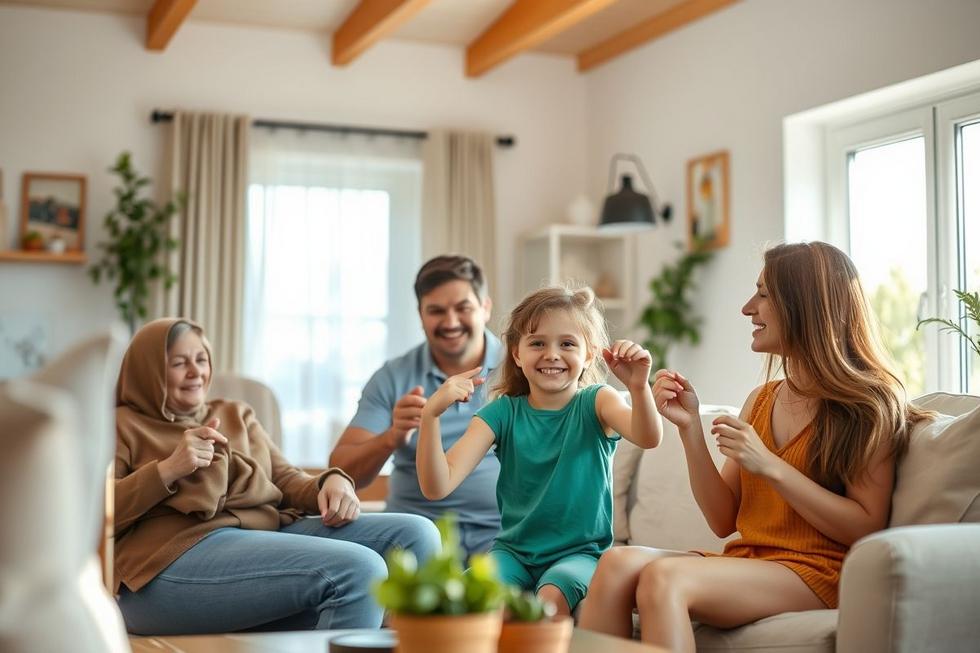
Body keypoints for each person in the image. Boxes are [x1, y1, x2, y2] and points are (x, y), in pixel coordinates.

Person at [579, 242, 930, 651]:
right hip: (752, 561)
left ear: (804, 305)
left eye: (764, 295)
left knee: (664, 578)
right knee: (616, 563)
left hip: (819, 571)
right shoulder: (762, 399)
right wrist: (690, 429)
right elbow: (723, 519)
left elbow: (865, 526)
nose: (748, 308)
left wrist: (772, 466)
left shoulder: (869, 404)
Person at [113, 318, 441, 635]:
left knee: (417, 534)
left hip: (259, 531)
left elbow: (285, 480)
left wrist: (331, 481)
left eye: (201, 359)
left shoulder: (234, 413)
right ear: (150, 371)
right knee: (360, 569)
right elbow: (94, 515)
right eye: (178, 363)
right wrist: (169, 469)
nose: (196, 371)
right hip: (164, 567)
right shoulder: (121, 424)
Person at [416, 285, 663, 616]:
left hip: (580, 555)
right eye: (537, 343)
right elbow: (438, 485)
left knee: (549, 603)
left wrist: (638, 386)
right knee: (474, 605)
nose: (552, 354)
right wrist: (430, 415)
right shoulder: (503, 412)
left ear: (589, 353)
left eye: (567, 344)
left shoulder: (598, 401)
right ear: (517, 354)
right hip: (512, 554)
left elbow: (648, 437)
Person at [330, 255, 503, 559]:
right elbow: (340, 470)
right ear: (420, 315)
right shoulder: (393, 377)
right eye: (436, 311)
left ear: (485, 307)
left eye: (462, 308)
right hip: (412, 542)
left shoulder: (521, 370)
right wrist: (391, 437)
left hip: (503, 539)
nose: (450, 322)